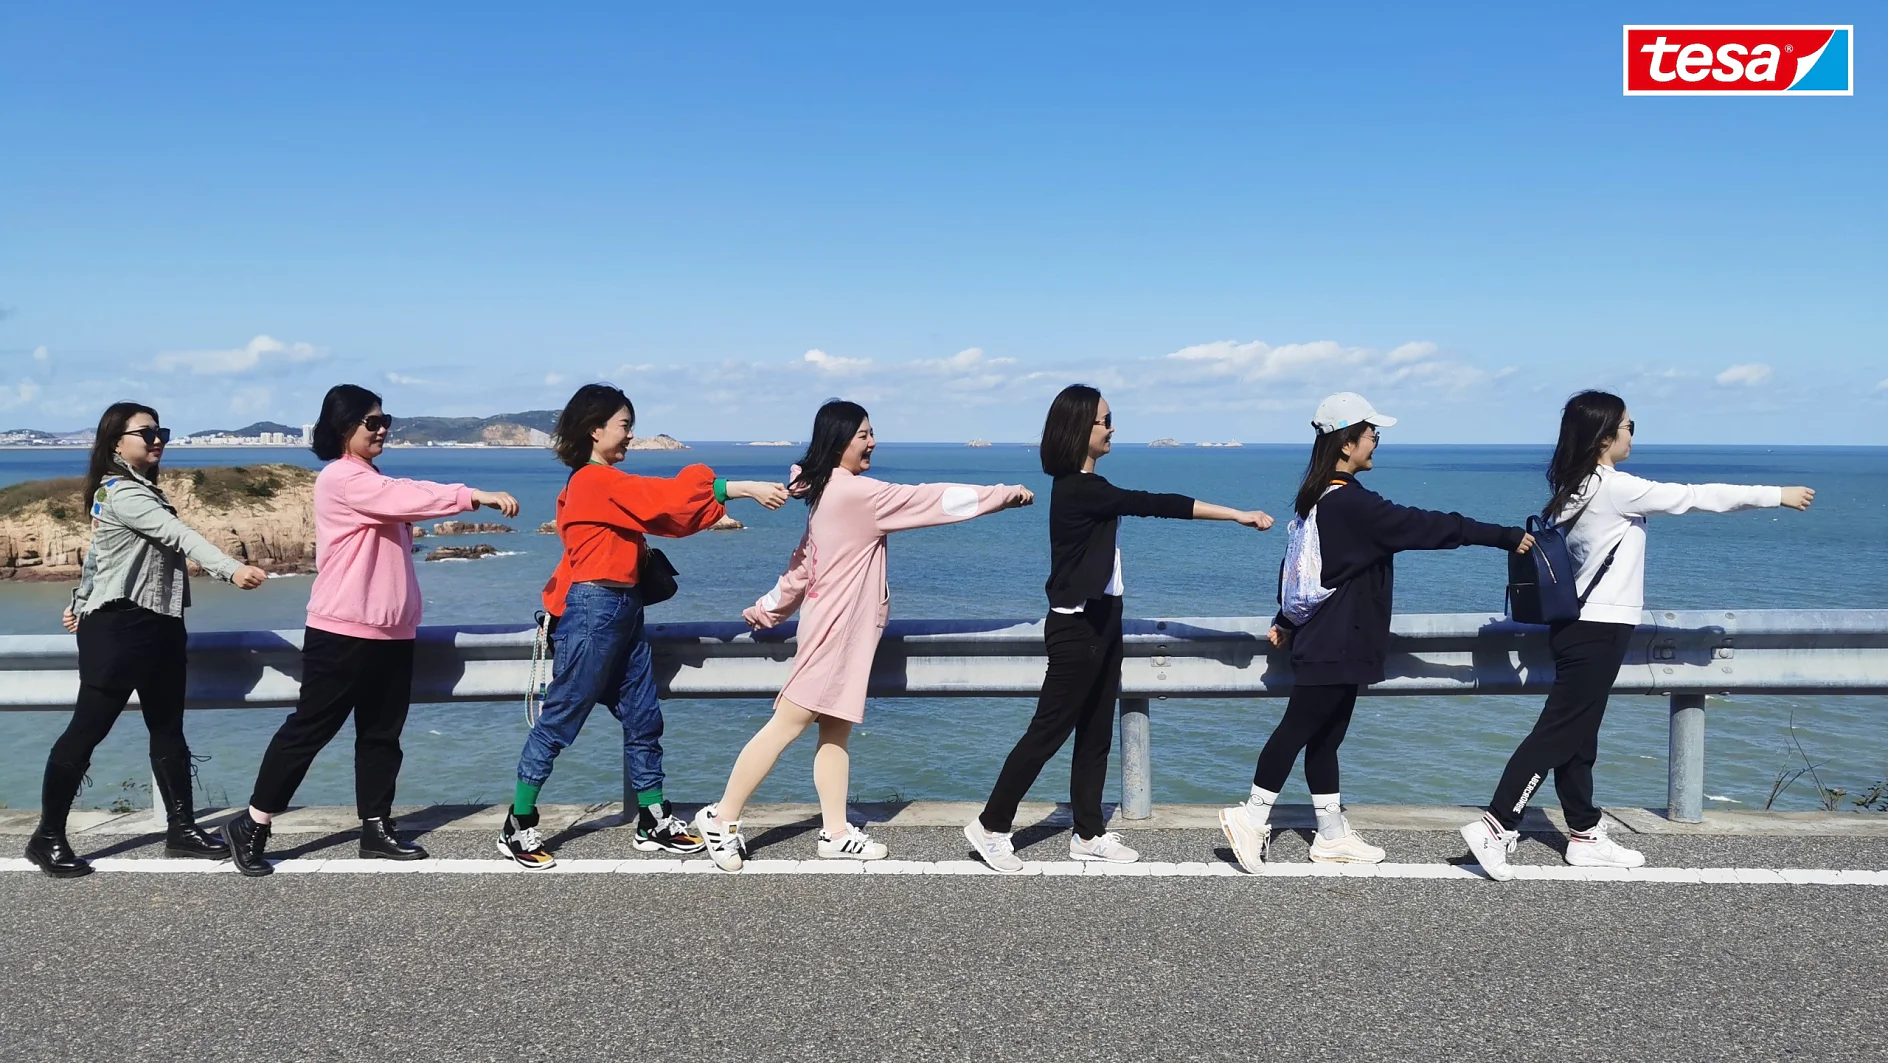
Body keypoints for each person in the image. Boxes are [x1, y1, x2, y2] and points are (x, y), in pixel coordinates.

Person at [1459, 391, 1815, 880]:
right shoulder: (1613, 488)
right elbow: (1696, 497)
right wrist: (1775, 494)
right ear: (1605, 437)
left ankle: (1584, 833)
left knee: (1580, 735)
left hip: (1573, 625)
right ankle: (1497, 824)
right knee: (1559, 732)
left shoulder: (1571, 488)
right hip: (1598, 627)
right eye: (1629, 427)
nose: (1632, 434)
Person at [692, 400, 1033, 871]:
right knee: (789, 723)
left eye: (872, 433)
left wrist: (769, 609)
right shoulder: (855, 494)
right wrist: (1005, 493)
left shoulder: (826, 491)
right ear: (838, 441)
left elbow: (803, 567)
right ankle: (722, 816)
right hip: (836, 630)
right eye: (863, 435)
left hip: (844, 629)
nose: (872, 442)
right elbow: (933, 500)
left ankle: (834, 832)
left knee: (835, 729)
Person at [964, 385, 1275, 872]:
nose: (1112, 429)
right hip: (1075, 626)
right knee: (1048, 732)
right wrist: (1236, 514)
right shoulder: (1079, 489)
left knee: (1095, 733)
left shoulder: (1086, 487)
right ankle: (991, 825)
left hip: (1104, 619)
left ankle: (1088, 831)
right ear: (1078, 429)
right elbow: (1158, 502)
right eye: (1104, 421)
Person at [1219, 392, 1534, 870]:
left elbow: (1301, 569)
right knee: (1300, 729)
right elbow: (1426, 526)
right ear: (1346, 444)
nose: (1376, 444)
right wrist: (1505, 537)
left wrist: (1285, 618)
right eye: (1372, 435)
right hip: (1336, 638)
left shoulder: (1316, 499)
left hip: (1329, 636)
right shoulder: (1351, 504)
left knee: (1325, 738)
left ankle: (1329, 833)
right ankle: (1252, 815)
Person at [221, 384, 519, 876]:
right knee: (310, 730)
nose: (382, 429)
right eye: (371, 423)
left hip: (392, 631)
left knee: (382, 735)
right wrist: (472, 495)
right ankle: (253, 823)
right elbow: (405, 495)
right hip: (343, 629)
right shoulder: (341, 478)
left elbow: (397, 499)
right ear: (343, 428)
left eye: (385, 422)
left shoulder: (369, 476)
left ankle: (375, 828)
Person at [496, 384, 788, 869]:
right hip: (594, 609)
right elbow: (666, 499)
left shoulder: (601, 482)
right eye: (624, 425)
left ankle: (652, 817)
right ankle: (518, 824)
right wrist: (742, 488)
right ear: (595, 429)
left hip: (620, 607)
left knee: (642, 715)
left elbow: (665, 513)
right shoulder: (593, 481)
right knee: (562, 716)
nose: (630, 434)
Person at [24, 403, 268, 878]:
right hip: (119, 629)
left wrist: (79, 598)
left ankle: (181, 830)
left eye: (162, 432)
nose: (158, 440)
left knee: (168, 729)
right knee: (86, 733)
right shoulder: (121, 493)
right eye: (147, 433)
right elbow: (177, 535)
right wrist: (231, 569)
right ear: (117, 442)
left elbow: (100, 558)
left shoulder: (143, 490)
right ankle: (47, 837)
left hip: (158, 623)